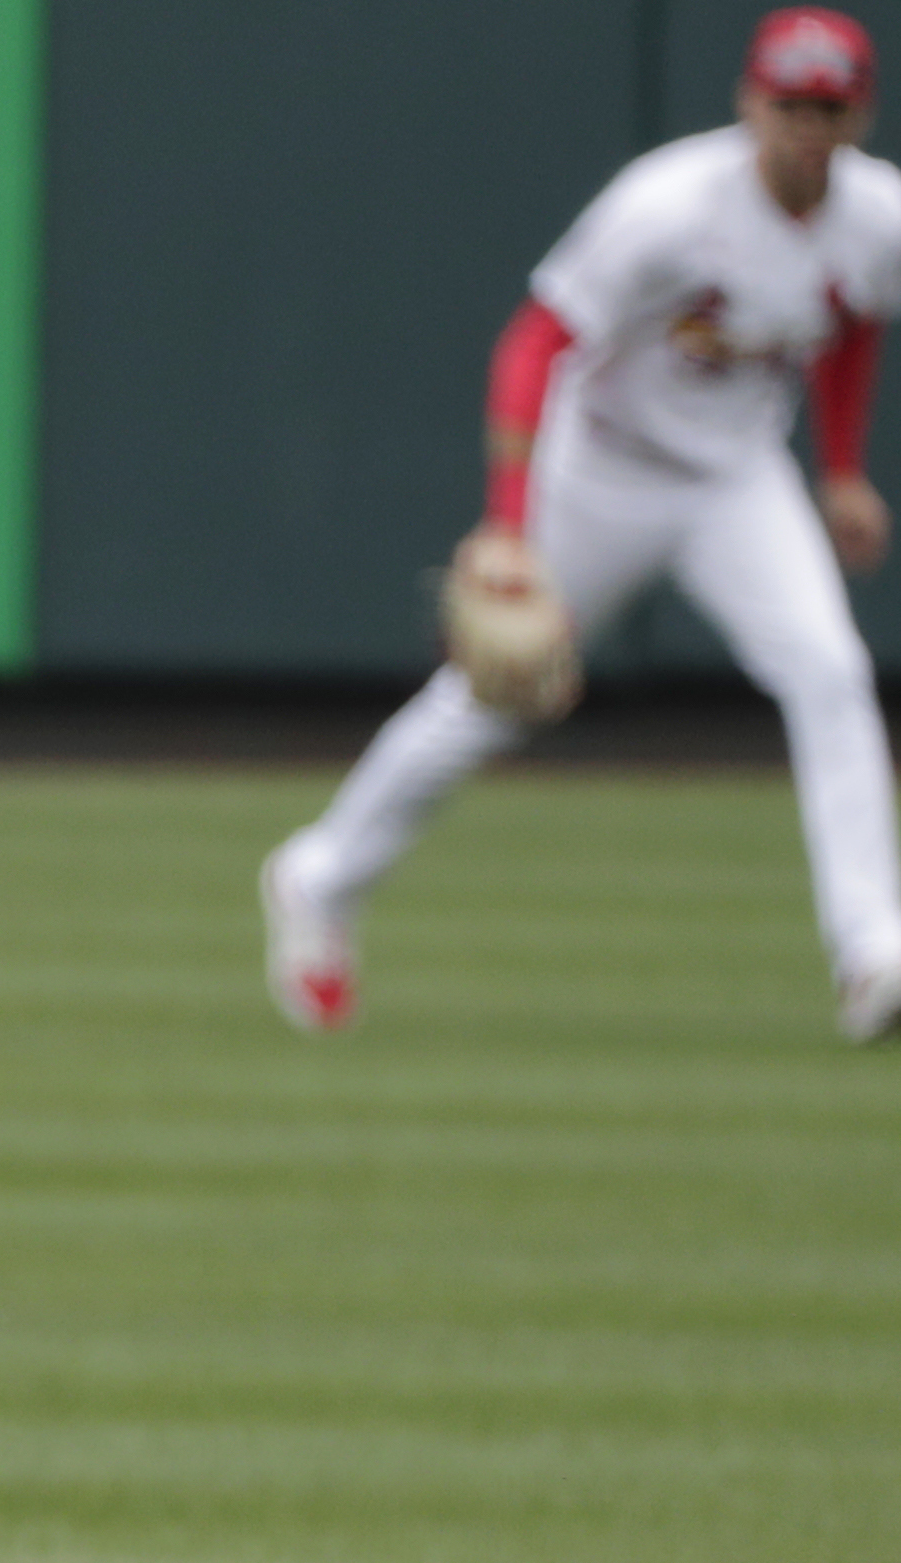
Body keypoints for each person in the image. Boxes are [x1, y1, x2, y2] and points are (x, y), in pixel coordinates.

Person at [264, 7, 901, 1041]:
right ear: (747, 103)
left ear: (859, 114)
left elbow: (854, 317)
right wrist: (507, 527)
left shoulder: (876, 216)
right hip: (598, 466)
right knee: (490, 701)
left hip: (736, 478)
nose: (804, 127)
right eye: (787, 104)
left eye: (825, 108)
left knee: (827, 671)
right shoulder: (666, 207)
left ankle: (871, 954)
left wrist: (837, 469)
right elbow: (533, 342)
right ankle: (316, 876)